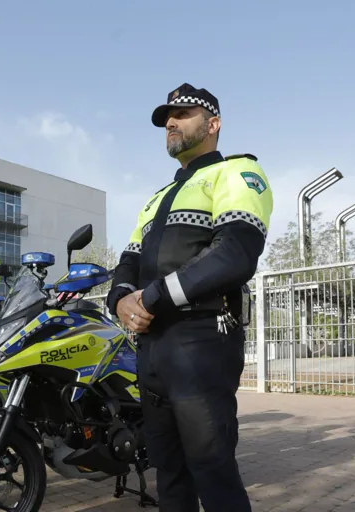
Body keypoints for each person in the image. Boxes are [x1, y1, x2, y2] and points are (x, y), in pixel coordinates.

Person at [107, 83, 273, 512]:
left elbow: (235, 254)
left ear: (213, 124)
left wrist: (153, 297)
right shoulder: (156, 198)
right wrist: (121, 301)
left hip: (201, 341)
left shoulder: (236, 174)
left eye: (183, 114)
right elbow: (127, 263)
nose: (171, 123)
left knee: (213, 470)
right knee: (169, 474)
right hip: (152, 346)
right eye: (166, 118)